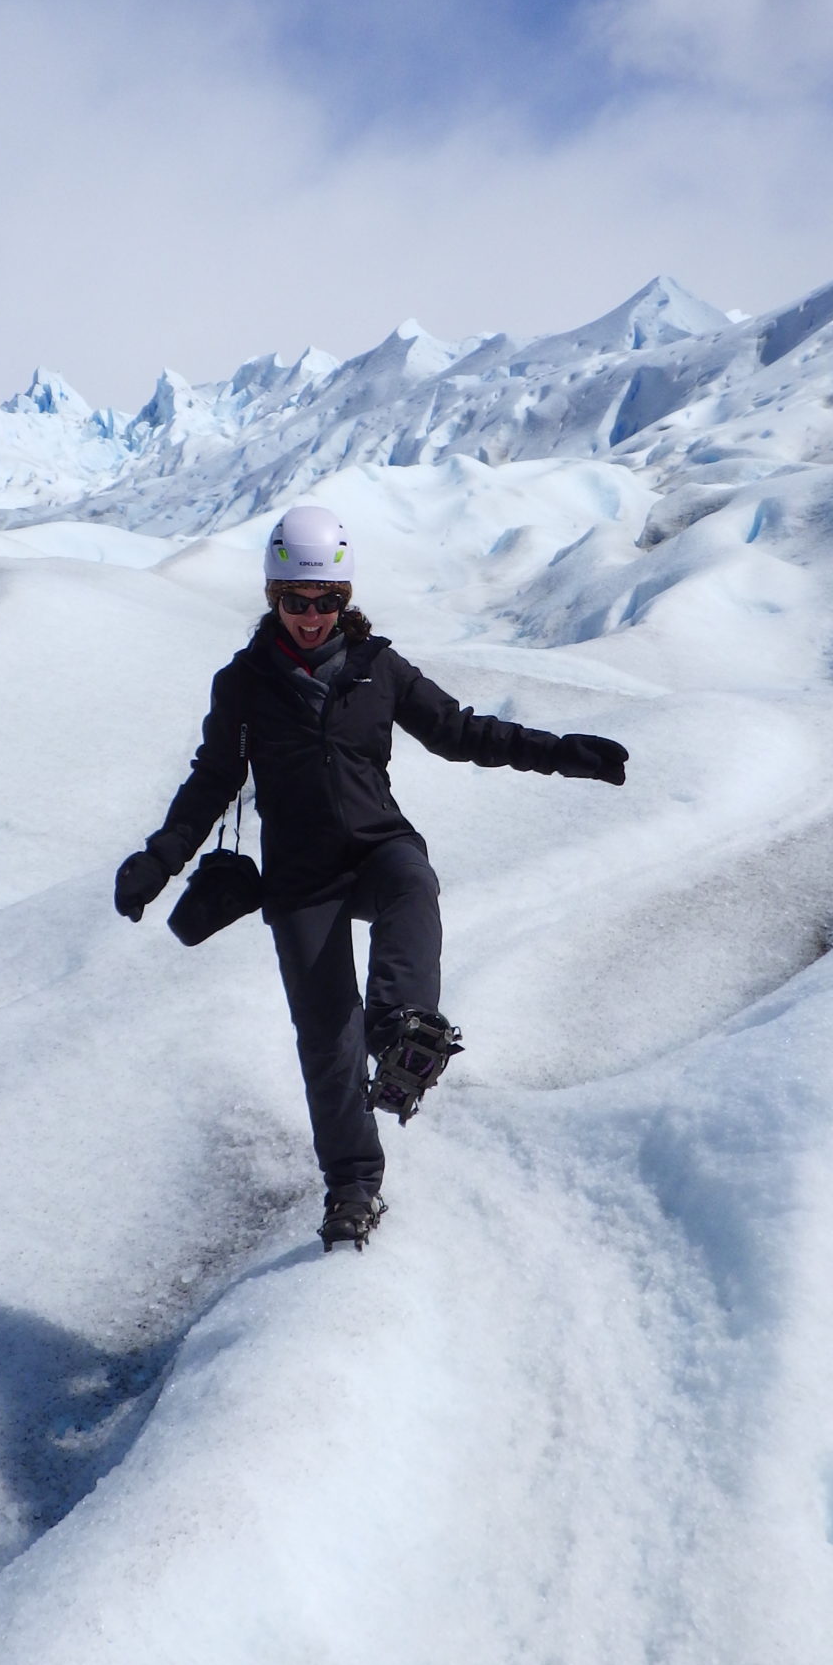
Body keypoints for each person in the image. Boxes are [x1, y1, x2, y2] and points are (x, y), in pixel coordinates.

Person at [115, 504, 628, 1251]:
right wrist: (160, 859)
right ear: (272, 595)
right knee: (325, 1040)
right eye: (298, 601)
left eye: (329, 601)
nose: (313, 617)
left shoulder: (377, 669)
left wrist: (562, 752)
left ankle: (402, 1033)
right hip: (299, 879)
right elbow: (211, 781)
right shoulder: (246, 684)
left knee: (413, 885)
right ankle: (352, 1188)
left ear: (346, 599)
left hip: (376, 845)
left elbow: (460, 732)